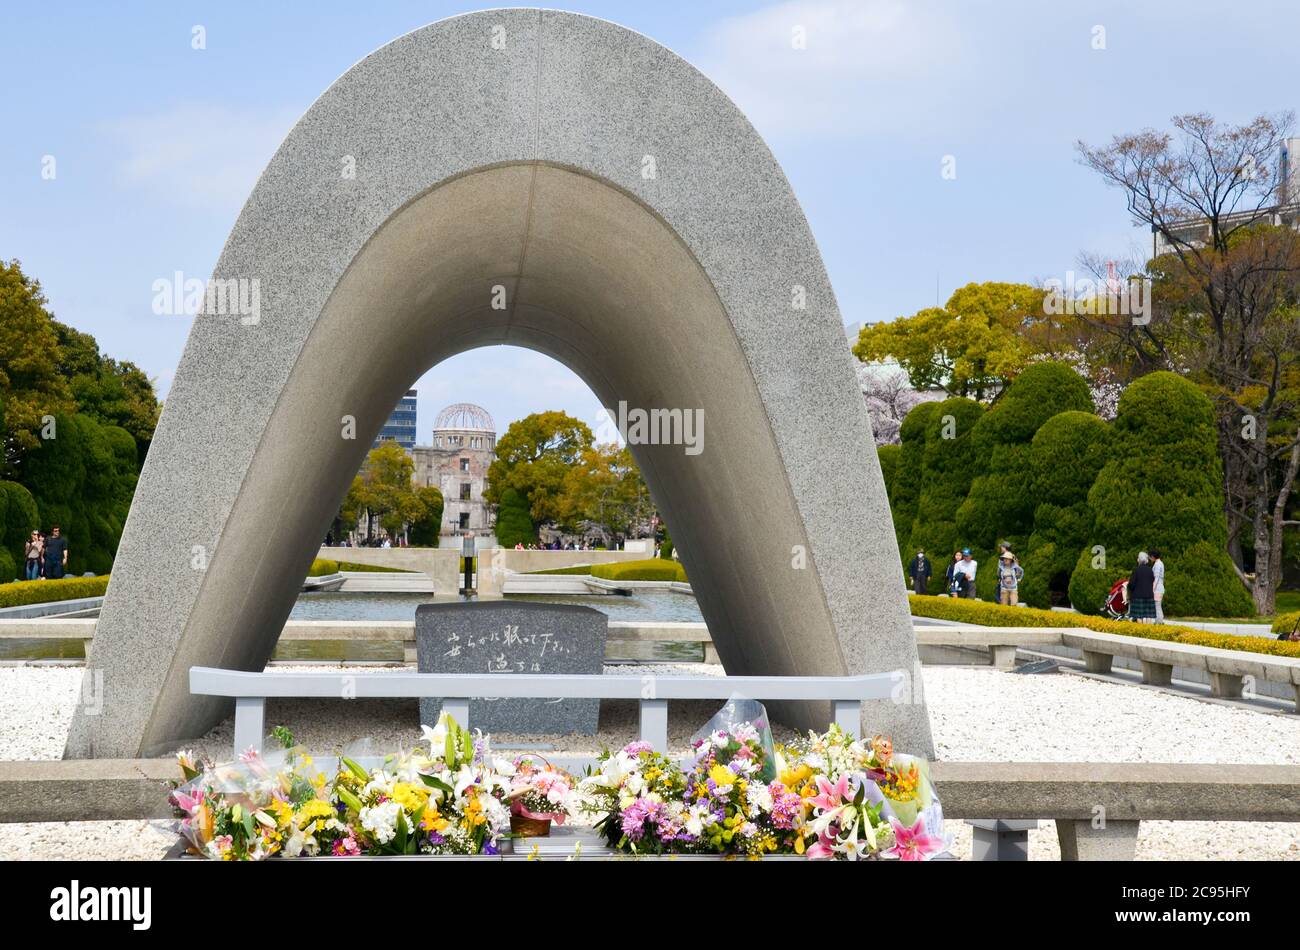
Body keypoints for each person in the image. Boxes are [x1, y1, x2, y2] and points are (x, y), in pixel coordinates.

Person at [1127, 552, 1157, 623]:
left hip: (1138, 595)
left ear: (1139, 560)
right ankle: (1148, 630)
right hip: (1149, 595)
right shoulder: (1150, 570)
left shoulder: (1136, 570)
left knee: (1138, 615)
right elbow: (1153, 580)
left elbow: (1131, 583)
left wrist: (1130, 591)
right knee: (1148, 615)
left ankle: (1141, 630)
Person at [1150, 549, 1165, 624]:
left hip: (1157, 589)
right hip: (1159, 588)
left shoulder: (1158, 564)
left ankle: (1159, 622)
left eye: (1150, 556)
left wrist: (1152, 589)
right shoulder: (1159, 563)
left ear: (1153, 556)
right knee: (1158, 606)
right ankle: (1159, 622)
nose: (1150, 558)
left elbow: (1156, 577)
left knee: (1157, 606)